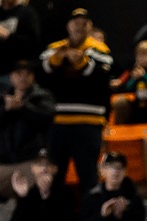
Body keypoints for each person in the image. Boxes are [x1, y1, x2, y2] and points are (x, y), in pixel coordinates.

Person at [41, 7, 112, 194]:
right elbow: (41, 74)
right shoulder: (54, 49)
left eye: (83, 23)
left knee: (88, 176)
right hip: (58, 123)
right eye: (75, 22)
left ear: (90, 26)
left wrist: (81, 62)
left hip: (88, 123)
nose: (79, 26)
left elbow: (102, 76)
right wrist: (59, 58)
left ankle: (94, 219)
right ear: (68, 25)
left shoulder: (100, 49)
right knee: (54, 177)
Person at [0, 59, 56, 167]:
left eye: (27, 74)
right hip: (5, 161)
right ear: (11, 76)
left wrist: (23, 107)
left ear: (33, 77)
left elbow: (47, 118)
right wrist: (5, 109)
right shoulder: (2, 98)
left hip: (33, 160)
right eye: (19, 73)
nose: (23, 77)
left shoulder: (42, 96)